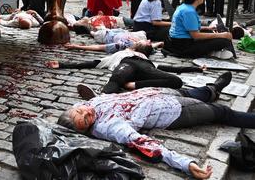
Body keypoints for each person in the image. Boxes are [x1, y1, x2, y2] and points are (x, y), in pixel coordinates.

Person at [56, 73, 253, 179]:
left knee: (197, 92)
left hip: (160, 92)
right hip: (174, 112)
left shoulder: (91, 104)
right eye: (84, 120)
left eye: (80, 110)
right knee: (221, 112)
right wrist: (186, 164)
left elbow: (95, 100)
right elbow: (144, 143)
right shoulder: (110, 128)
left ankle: (214, 88)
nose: (86, 113)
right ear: (85, 130)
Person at [46, 44, 204, 95]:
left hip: (144, 68)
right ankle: (100, 99)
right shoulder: (121, 53)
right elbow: (92, 62)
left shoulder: (148, 60)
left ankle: (133, 86)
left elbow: (174, 69)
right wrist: (62, 64)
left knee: (176, 81)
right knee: (117, 79)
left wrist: (196, 69)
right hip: (126, 64)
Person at [164, 0, 235, 59]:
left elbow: (190, 28)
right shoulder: (188, 11)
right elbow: (196, 36)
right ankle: (210, 52)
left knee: (211, 33)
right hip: (183, 46)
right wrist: (222, 35)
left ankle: (211, 51)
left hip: (178, 42)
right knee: (224, 41)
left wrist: (208, 28)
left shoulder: (183, 7)